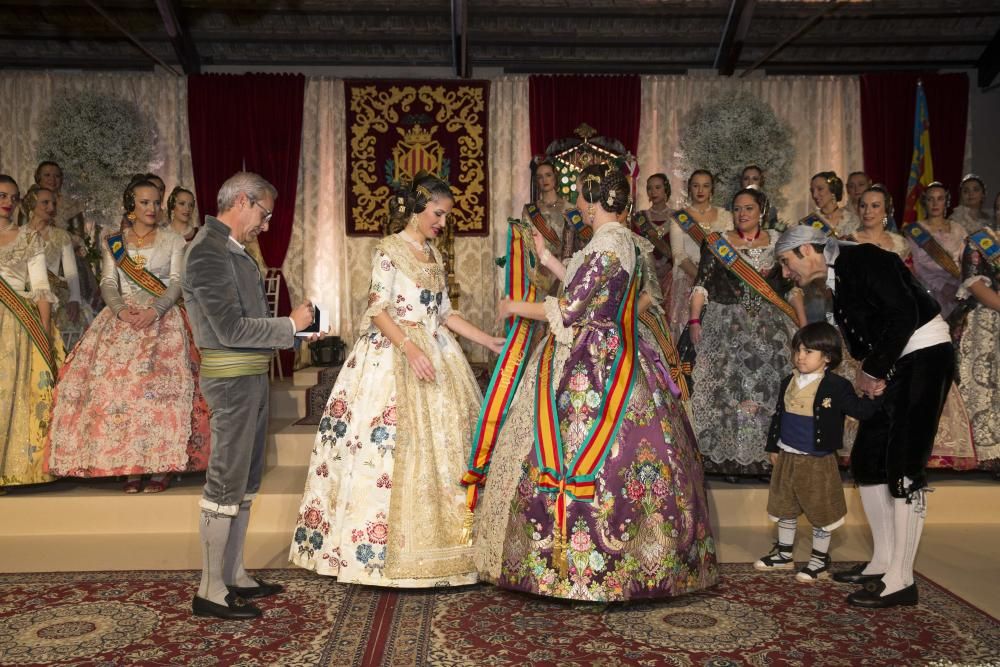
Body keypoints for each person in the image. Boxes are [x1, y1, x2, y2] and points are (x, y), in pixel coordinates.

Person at [470, 163, 718, 602]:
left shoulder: (607, 245)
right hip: (614, 347)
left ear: (592, 199)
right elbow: (593, 289)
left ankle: (581, 567)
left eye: (581, 197)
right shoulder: (618, 240)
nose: (577, 205)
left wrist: (514, 305)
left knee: (577, 450)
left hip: (593, 360)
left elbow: (568, 310)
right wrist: (547, 258)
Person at [290, 173, 504, 587]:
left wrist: (488, 340)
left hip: (437, 350)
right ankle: (373, 553)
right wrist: (410, 348)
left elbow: (444, 314)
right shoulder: (388, 251)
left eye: (445, 215)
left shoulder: (435, 255)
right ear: (418, 208)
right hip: (393, 354)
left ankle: (453, 548)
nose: (442, 222)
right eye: (438, 214)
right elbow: (377, 309)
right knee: (381, 448)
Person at [776, 225, 953, 609]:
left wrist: (872, 370)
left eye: (786, 263)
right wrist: (874, 370)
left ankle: (902, 580)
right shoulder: (836, 279)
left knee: (904, 464)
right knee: (868, 459)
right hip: (893, 365)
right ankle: (883, 564)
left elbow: (904, 314)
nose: (787, 273)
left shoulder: (865, 258)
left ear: (807, 249)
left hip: (924, 357)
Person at [183, 171, 315, 620]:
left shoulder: (233, 251)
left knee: (244, 485)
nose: (266, 222)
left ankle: (234, 574)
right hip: (231, 379)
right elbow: (230, 329)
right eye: (264, 212)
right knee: (224, 483)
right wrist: (290, 326)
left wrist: (294, 333)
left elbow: (246, 325)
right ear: (242, 200)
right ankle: (209, 589)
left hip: (252, 378)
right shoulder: (207, 251)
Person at [47, 178, 210, 493]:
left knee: (158, 391)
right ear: (131, 207)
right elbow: (108, 283)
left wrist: (156, 310)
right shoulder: (114, 241)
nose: (152, 208)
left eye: (156, 202)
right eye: (145, 202)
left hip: (163, 321)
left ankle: (162, 465)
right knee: (123, 391)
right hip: (122, 319)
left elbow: (176, 281)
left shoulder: (172, 239)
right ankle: (131, 464)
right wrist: (121, 310)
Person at [847, 186, 975, 472]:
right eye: (864, 205)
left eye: (875, 206)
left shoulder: (899, 243)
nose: (868, 211)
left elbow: (908, 286)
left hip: (900, 326)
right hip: (870, 327)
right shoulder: (849, 242)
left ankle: (908, 455)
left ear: (886, 211)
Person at [688, 188, 805, 478]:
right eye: (738, 208)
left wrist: (804, 327)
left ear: (761, 211)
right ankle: (727, 460)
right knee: (727, 391)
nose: (742, 214)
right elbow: (701, 285)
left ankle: (769, 458)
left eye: (749, 208)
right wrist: (694, 320)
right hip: (727, 325)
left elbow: (791, 290)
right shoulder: (717, 243)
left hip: (770, 328)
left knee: (771, 390)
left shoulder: (778, 243)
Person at [755, 322, 880, 582]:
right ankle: (784, 555)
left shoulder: (836, 386)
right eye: (798, 350)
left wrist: (874, 395)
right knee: (784, 505)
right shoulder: (788, 381)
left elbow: (860, 411)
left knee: (821, 509)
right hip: (787, 455)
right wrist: (773, 446)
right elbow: (778, 417)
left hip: (817, 460)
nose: (801, 356)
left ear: (827, 358)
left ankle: (819, 560)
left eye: (809, 351)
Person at [0, 175, 60, 489]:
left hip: (15, 327)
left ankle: (12, 468)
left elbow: (40, 289)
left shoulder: (28, 237)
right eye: (1, 195)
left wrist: (45, 336)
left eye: (12, 197)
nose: (7, 202)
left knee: (11, 396)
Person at [956, 199, 1000, 471]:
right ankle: (992, 454)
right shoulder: (981, 241)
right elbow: (973, 281)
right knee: (988, 386)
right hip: (989, 321)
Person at [19, 185, 90, 347]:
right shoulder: (18, 234)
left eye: (53, 203)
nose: (51, 207)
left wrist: (74, 299)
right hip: (24, 293)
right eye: (45, 203)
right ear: (32, 204)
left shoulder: (60, 235)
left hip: (55, 293)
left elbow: (71, 271)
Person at [667, 169, 732, 339]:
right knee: (686, 333)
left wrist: (712, 280)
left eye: (705, 186)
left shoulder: (726, 216)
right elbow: (679, 255)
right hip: (689, 280)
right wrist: (702, 279)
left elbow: (731, 251)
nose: (700, 190)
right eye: (696, 186)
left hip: (719, 283)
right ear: (689, 189)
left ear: (712, 190)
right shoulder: (679, 218)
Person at [904, 181, 967, 322]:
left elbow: (966, 260)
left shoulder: (959, 229)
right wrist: (943, 287)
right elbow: (917, 265)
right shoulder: (915, 230)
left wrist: (962, 287)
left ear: (947, 201)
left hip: (959, 290)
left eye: (940, 198)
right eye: (930, 199)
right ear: (924, 202)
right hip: (929, 291)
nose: (935, 203)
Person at [521, 159, 576, 297]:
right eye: (540, 177)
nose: (544, 179)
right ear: (536, 181)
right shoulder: (530, 210)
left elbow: (575, 245)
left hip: (562, 269)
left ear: (555, 177)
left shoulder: (570, 208)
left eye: (548, 175)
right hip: (539, 272)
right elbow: (527, 243)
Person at [632, 173, 673, 315]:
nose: (653, 192)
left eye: (658, 187)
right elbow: (636, 248)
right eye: (650, 188)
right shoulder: (639, 218)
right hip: (646, 276)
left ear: (666, 189)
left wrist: (667, 268)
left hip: (671, 276)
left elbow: (680, 250)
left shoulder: (677, 217)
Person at [804, 171, 859, 238]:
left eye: (820, 189)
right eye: (812, 191)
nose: (814, 195)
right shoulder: (810, 221)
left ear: (833, 190)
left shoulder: (852, 220)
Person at [739, 164, 781, 228]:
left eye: (755, 179)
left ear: (761, 182)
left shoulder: (769, 207)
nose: (750, 182)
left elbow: (773, 232)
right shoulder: (731, 205)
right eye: (746, 179)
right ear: (741, 182)